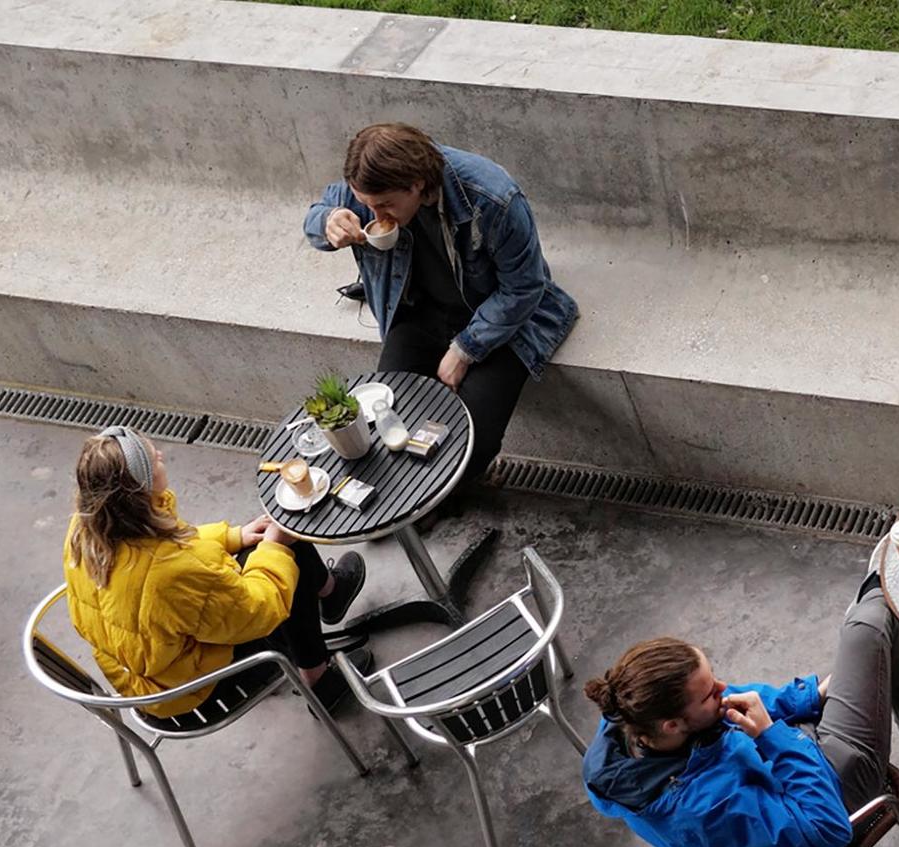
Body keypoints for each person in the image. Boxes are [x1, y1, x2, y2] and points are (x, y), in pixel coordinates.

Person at [581, 577, 899, 847]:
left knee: (888, 630)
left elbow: (736, 702)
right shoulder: (706, 809)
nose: (722, 690)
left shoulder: (630, 714)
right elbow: (829, 828)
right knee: (872, 620)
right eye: (708, 694)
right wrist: (773, 737)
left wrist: (808, 696)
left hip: (789, 770)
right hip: (828, 805)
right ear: (672, 725)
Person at [303, 122, 578, 486]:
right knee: (387, 413)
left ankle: (451, 495)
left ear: (416, 183)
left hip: (498, 318)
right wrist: (329, 221)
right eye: (367, 204)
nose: (375, 213)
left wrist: (465, 350)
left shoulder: (492, 196)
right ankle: (409, 498)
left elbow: (524, 288)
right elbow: (317, 213)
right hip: (418, 312)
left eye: (384, 205)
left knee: (471, 440)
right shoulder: (369, 189)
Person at [62, 426, 370, 719]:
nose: (159, 454)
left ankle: (329, 593)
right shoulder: (169, 574)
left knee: (266, 544)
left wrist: (233, 536)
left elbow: (168, 548)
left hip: (147, 673)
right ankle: (319, 679)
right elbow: (260, 612)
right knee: (286, 555)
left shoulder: (89, 527)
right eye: (149, 458)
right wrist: (276, 548)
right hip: (190, 688)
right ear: (137, 492)